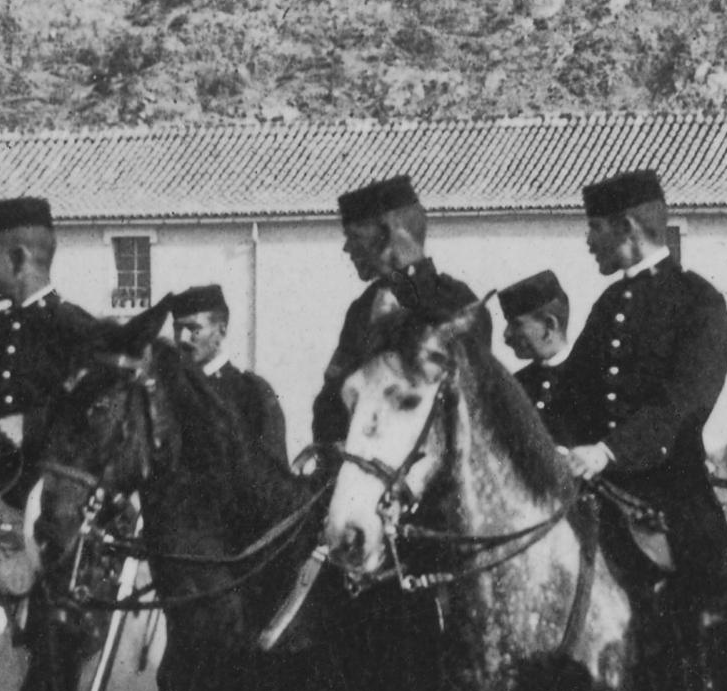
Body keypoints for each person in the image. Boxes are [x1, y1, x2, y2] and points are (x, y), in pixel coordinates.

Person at [543, 167, 727, 627]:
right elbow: (569, 395)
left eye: (594, 227)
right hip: (597, 494)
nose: (588, 240)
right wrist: (555, 443)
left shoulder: (700, 302)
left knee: (705, 612)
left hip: (671, 496)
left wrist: (609, 451)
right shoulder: (609, 304)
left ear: (626, 227)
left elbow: (684, 404)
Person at [0, 196, 126, 482]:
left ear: (17, 258)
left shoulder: (80, 331)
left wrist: (30, 426)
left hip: (52, 500)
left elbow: (103, 416)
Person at [315, 174, 476, 447]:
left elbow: (464, 403)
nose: (347, 248)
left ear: (390, 234)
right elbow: (331, 398)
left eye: (355, 236)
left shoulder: (456, 303)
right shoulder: (363, 307)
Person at [155, 285, 295, 470]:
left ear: (221, 330)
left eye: (193, 328)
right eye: (177, 329)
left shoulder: (252, 393)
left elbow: (273, 476)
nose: (182, 338)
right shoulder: (167, 391)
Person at [494, 273, 573, 415]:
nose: (506, 335)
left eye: (516, 324)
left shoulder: (587, 377)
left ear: (549, 326)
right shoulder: (515, 387)